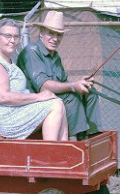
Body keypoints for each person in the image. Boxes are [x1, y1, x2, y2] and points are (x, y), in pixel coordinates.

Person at [0, 18, 68, 141]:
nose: (12, 41)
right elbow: (3, 97)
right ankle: (50, 152)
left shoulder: (4, 58)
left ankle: (64, 150)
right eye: (7, 36)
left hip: (12, 111)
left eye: (16, 36)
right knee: (55, 105)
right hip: (3, 118)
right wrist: (39, 97)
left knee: (58, 102)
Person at [18, 10, 102, 140]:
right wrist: (74, 86)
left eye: (59, 35)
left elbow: (63, 84)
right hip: (33, 103)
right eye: (51, 33)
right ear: (41, 32)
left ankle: (93, 136)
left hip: (52, 98)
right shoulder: (31, 52)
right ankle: (80, 141)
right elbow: (44, 86)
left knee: (90, 92)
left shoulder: (55, 57)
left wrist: (81, 83)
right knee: (71, 97)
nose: (55, 39)